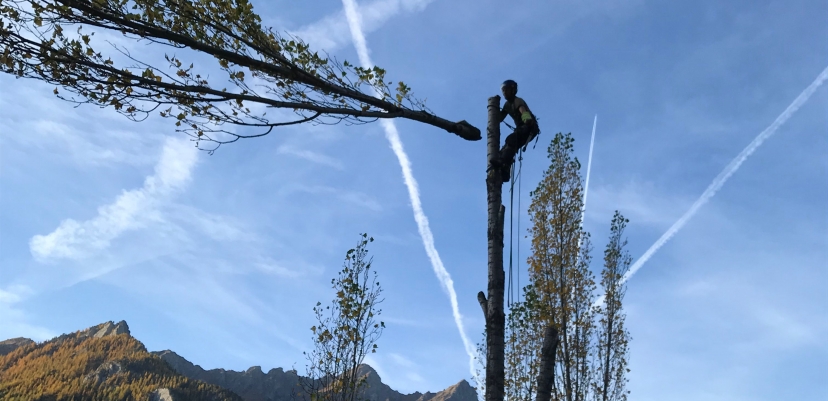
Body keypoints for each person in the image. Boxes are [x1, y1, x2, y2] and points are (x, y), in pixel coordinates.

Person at [493, 79, 539, 182]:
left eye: (506, 90)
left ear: (513, 90)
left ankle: (503, 163)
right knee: (506, 149)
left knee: (511, 140)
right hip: (523, 128)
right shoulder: (506, 105)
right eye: (503, 90)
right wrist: (494, 110)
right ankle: (505, 172)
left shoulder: (517, 101)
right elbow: (500, 118)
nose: (504, 92)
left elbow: (522, 110)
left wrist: (527, 119)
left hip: (529, 126)